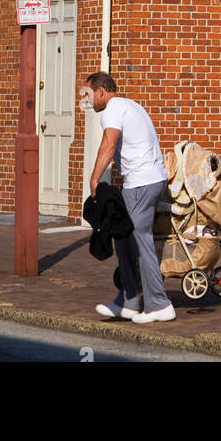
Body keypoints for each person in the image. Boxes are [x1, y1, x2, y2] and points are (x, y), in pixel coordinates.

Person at [83, 71, 175, 324]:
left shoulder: (113, 108)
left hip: (141, 183)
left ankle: (159, 304)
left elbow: (108, 144)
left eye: (89, 95)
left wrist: (95, 178)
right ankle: (130, 300)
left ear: (102, 91)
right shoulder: (130, 105)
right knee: (123, 234)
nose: (88, 100)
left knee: (140, 240)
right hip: (147, 180)